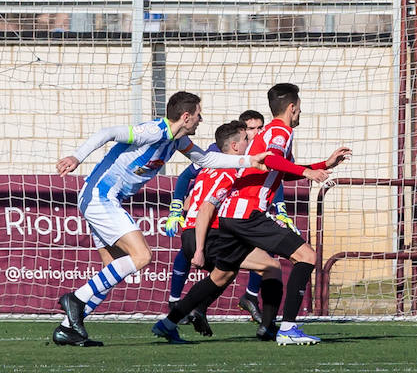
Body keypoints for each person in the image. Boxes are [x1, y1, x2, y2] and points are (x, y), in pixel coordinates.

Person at [52, 92, 267, 347]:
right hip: (100, 196)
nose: (201, 119)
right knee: (142, 256)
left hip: (101, 198)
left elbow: (207, 159)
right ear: (186, 117)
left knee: (114, 268)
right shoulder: (154, 131)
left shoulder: (178, 141)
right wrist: (77, 157)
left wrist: (249, 160)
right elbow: (107, 132)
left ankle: (68, 329)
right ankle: (76, 299)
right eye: (198, 115)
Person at [165, 83, 350, 345]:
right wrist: (308, 173)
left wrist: (323, 164)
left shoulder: (270, 134)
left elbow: (277, 169)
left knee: (224, 275)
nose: (299, 114)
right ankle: (286, 328)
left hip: (231, 215)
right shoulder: (279, 130)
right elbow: (274, 160)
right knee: (306, 256)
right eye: (299, 109)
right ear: (292, 108)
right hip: (247, 213)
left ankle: (169, 321)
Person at [148, 120, 285, 343]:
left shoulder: (210, 167)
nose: (250, 143)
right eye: (246, 139)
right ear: (234, 147)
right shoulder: (230, 171)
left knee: (224, 275)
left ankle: (171, 322)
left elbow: (191, 200)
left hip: (193, 233)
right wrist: (200, 249)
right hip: (205, 234)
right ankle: (268, 327)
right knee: (271, 267)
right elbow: (205, 208)